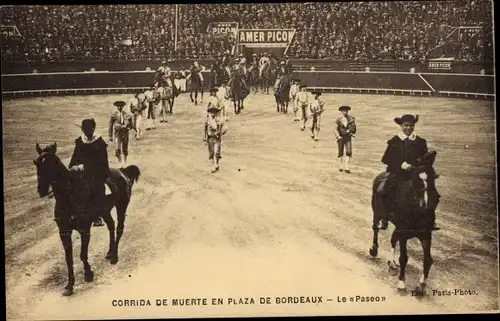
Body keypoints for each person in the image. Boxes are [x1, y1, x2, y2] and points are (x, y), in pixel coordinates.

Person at [381, 114, 440, 230]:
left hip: (415, 173)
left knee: (432, 193)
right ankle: (384, 217)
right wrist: (401, 164)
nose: (408, 128)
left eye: (411, 125)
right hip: (397, 173)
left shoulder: (420, 141)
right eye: (406, 125)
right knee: (386, 189)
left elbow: (423, 159)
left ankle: (430, 218)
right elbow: (386, 158)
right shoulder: (395, 141)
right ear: (401, 126)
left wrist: (426, 162)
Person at [69, 118, 110, 227]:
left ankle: (98, 216)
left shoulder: (99, 142)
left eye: (90, 130)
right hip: (81, 173)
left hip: (96, 173)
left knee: (97, 189)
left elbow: (103, 161)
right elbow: (75, 157)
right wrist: (72, 167)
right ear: (82, 129)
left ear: (93, 128)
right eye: (85, 130)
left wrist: (85, 167)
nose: (88, 133)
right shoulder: (79, 141)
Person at [203, 88, 227, 173]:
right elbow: (205, 129)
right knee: (211, 153)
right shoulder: (210, 99)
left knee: (217, 152)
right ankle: (213, 164)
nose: (212, 113)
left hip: (216, 138)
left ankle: (216, 164)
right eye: (211, 112)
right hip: (210, 138)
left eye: (214, 91)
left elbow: (221, 128)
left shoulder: (218, 119)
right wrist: (205, 138)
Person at [109, 100, 132, 168]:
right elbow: (110, 125)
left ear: (123, 106)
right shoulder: (114, 114)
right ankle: (120, 163)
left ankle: (124, 163)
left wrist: (128, 126)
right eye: (118, 106)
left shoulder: (126, 114)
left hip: (125, 133)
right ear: (116, 106)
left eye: (121, 106)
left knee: (125, 148)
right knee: (117, 149)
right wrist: (110, 135)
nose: (119, 107)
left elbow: (131, 125)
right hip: (117, 133)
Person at [333, 105, 356, 173]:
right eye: (343, 111)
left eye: (346, 111)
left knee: (349, 152)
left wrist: (351, 131)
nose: (344, 112)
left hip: (348, 137)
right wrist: (338, 136)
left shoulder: (351, 119)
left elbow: (354, 127)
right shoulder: (338, 120)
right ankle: (340, 166)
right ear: (341, 111)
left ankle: (346, 167)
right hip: (341, 137)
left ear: (347, 111)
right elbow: (335, 129)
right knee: (340, 152)